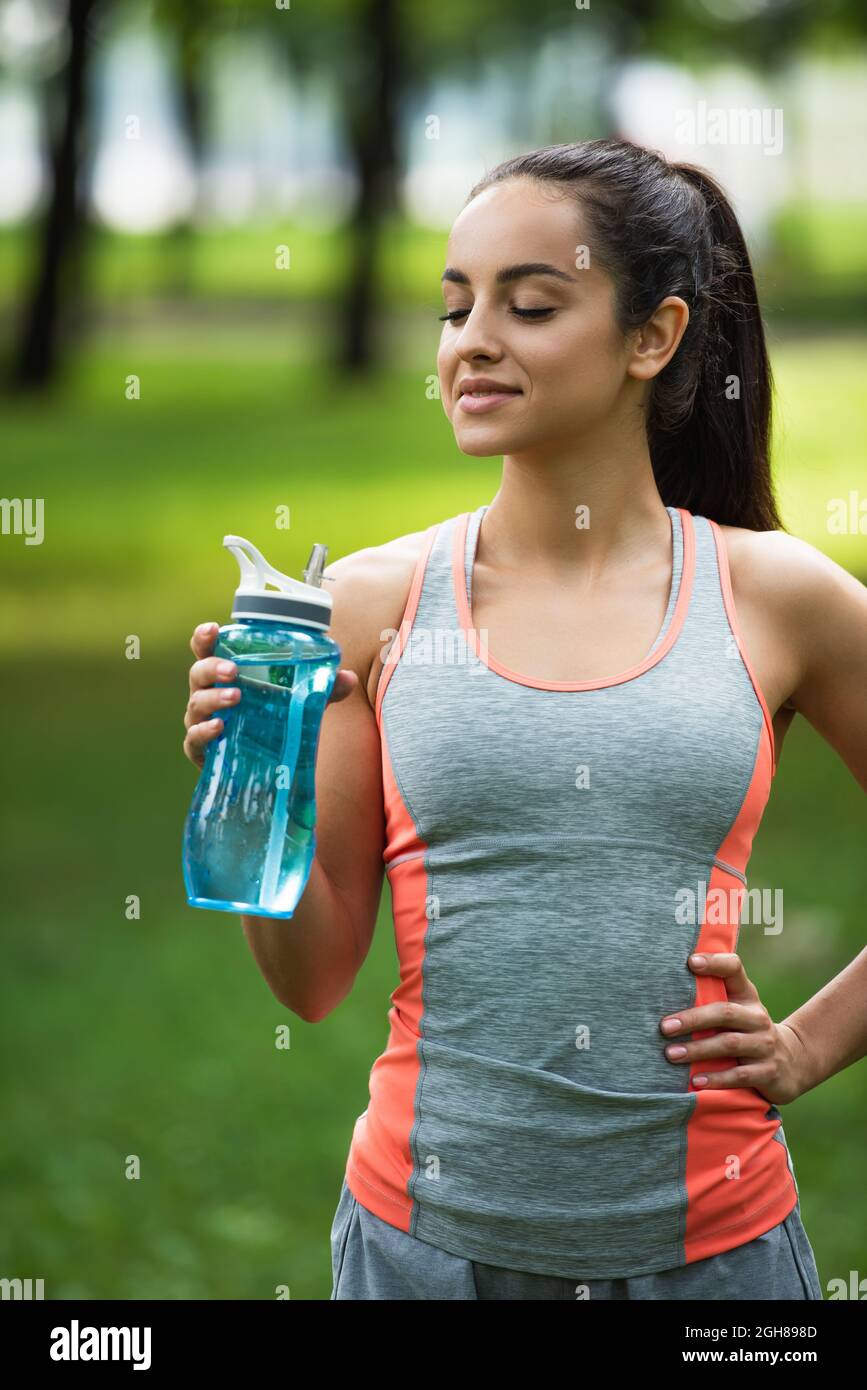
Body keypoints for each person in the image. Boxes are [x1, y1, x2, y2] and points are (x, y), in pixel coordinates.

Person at [183, 139, 867, 1301]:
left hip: (718, 1262)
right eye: (455, 309)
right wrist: (256, 782)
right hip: (424, 1246)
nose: (472, 343)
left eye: (530, 303)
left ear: (653, 336)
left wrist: (809, 1043)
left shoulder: (777, 597)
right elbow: (312, 981)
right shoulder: (364, 605)